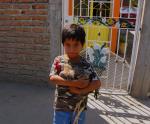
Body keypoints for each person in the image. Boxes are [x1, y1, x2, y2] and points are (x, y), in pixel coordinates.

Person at [49, 24, 101, 124]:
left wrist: (81, 91)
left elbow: (97, 82)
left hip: (79, 109)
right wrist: (75, 83)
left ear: (82, 44)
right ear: (63, 44)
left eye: (76, 44)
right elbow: (52, 78)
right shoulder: (59, 60)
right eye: (68, 45)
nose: (72, 49)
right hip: (61, 108)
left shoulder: (86, 64)